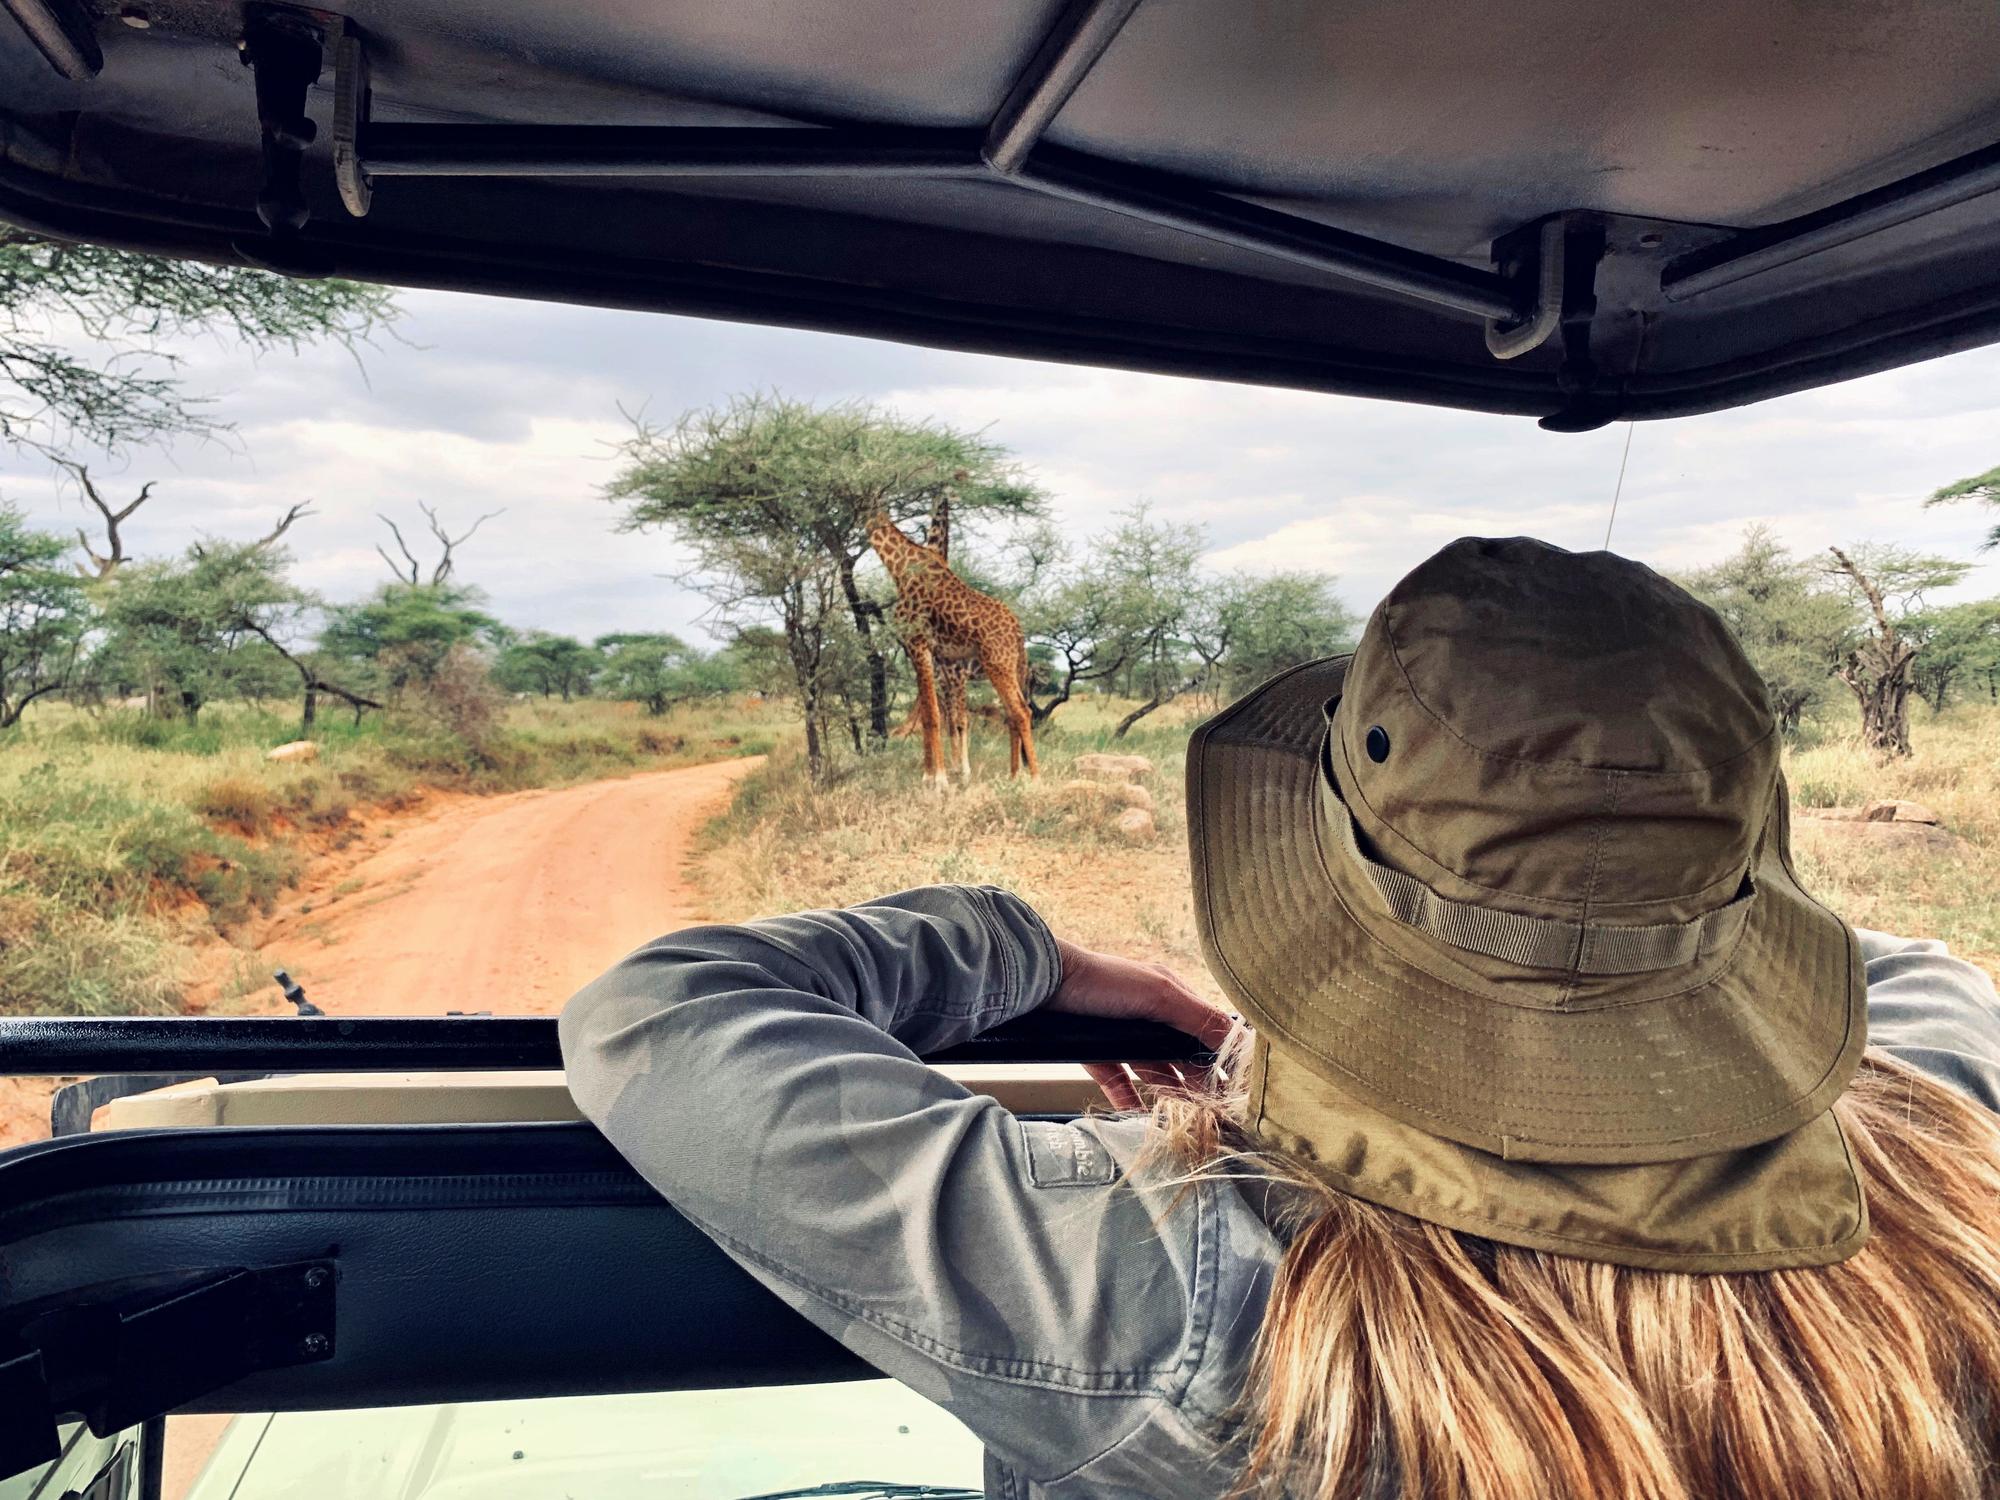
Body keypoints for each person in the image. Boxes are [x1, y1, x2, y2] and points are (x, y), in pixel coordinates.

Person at [561, 536, 2000, 1500]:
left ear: (1316, 878)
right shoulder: (1953, 1129)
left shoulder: (1188, 1285)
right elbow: (1895, 972)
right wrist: (1640, 904)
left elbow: (660, 1012)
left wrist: (1029, 952)